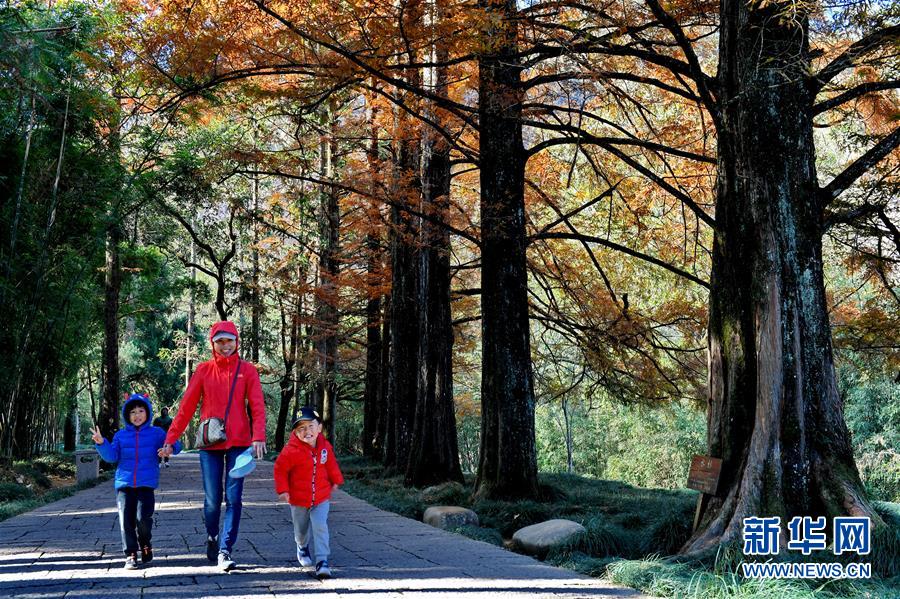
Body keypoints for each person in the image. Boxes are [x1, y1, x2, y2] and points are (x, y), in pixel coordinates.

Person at [160, 321, 267, 572]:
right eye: (220, 341)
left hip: (239, 442)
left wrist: (258, 436)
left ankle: (225, 550)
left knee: (234, 499)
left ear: (236, 341)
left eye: (230, 340)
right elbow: (186, 407)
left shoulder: (247, 370)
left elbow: (257, 405)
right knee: (212, 500)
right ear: (213, 343)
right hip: (210, 443)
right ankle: (212, 535)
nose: (225, 345)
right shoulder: (204, 370)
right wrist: (171, 439)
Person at [92, 393, 182, 570]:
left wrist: (169, 449)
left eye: (141, 410)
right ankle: (130, 554)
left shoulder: (157, 433)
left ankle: (145, 542)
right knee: (126, 521)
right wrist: (102, 443)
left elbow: (175, 444)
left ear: (148, 412)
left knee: (143, 519)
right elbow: (112, 456)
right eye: (133, 412)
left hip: (146, 484)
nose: (137, 415)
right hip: (124, 485)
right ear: (127, 415)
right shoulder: (120, 435)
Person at [273, 406, 344, 580]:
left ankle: (322, 561)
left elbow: (331, 465)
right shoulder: (290, 450)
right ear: (296, 433)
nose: (307, 431)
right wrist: (283, 490)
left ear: (319, 427)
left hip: (321, 497)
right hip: (298, 499)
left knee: (320, 525)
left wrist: (336, 479)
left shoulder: (325, 447)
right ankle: (302, 546)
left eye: (311, 426)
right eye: (301, 428)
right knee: (301, 529)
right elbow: (280, 470)